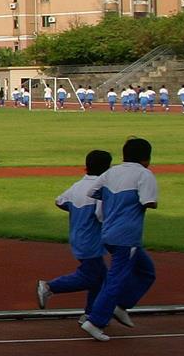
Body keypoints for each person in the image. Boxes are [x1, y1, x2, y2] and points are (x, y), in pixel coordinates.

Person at [80, 137, 159, 342]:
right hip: (127, 236)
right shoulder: (144, 174)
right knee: (116, 278)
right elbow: (150, 202)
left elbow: (92, 192)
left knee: (146, 271)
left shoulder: (111, 172)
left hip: (108, 233)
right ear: (146, 158)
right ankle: (95, 320)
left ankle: (121, 304)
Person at [36, 149, 113, 311]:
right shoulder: (100, 188)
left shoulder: (78, 185)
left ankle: (91, 314)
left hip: (78, 236)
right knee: (92, 277)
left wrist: (78, 213)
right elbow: (101, 216)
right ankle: (50, 287)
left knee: (99, 277)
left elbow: (60, 201)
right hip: (91, 240)